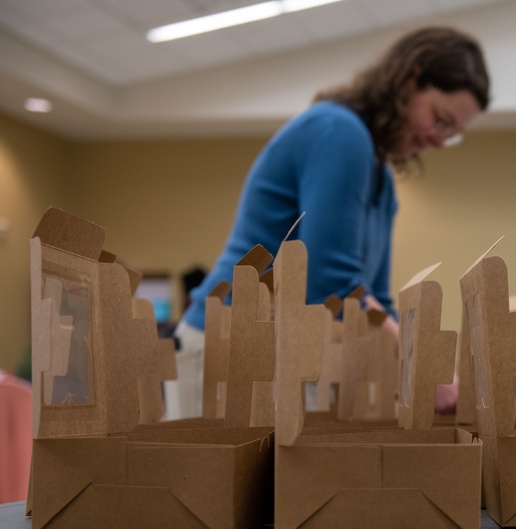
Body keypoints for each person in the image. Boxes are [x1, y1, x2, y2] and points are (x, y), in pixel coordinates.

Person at [166, 27, 491, 420]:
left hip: (285, 350)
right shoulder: (339, 133)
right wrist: (418, 360)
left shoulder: (381, 179)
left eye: (452, 134)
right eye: (441, 120)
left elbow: (373, 297)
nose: (440, 141)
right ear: (411, 79)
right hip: (230, 344)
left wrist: (420, 362)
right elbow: (327, 281)